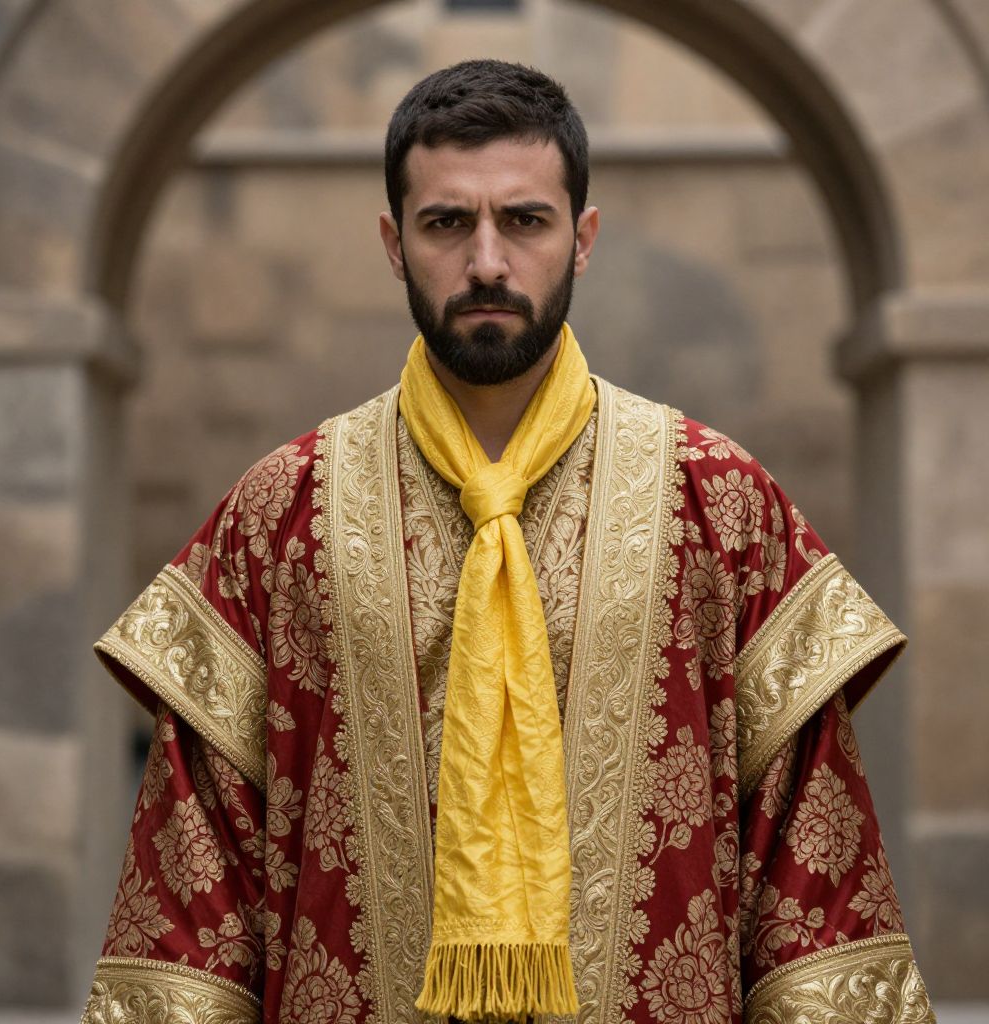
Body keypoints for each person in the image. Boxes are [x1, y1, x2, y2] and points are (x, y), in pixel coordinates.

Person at [81, 60, 934, 1024]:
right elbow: (192, 893)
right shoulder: (281, 514)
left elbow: (813, 877)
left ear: (584, 237)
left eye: (525, 220)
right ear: (393, 243)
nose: (487, 261)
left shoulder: (722, 503)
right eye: (447, 223)